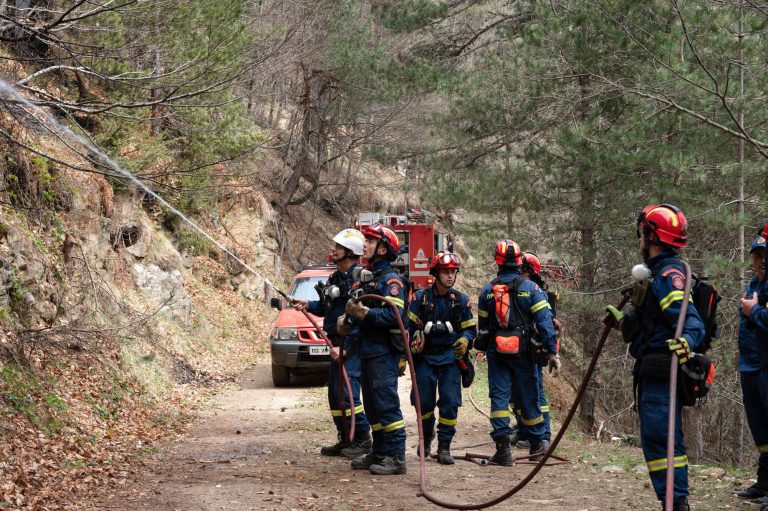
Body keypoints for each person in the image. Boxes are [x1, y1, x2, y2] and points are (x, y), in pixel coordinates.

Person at [608, 204, 705, 511]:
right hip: (653, 368)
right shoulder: (655, 274)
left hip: (664, 370)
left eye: (642, 232)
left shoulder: (669, 274)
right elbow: (656, 322)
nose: (639, 239)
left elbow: (691, 322)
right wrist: (622, 323)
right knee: (658, 438)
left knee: (662, 438)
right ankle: (673, 500)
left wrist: (687, 342)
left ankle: (676, 502)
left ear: (651, 235)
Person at [476, 239, 560, 466]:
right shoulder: (531, 289)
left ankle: (503, 450)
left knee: (500, 398)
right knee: (530, 397)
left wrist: (483, 349)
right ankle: (536, 446)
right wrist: (552, 353)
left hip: (497, 354)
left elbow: (482, 329)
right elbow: (545, 323)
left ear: (497, 260)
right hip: (524, 354)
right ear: (519, 260)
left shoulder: (487, 291)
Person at [291, 229, 371, 458]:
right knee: (335, 395)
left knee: (348, 393)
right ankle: (346, 438)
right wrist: (308, 304)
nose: (332, 250)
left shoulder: (360, 278)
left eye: (337, 247)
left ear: (350, 252)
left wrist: (346, 347)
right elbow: (328, 306)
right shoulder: (336, 278)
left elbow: (359, 316)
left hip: (351, 345)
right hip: (336, 342)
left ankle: (363, 438)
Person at [339, 223, 409, 475]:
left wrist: (365, 312)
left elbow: (395, 315)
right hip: (366, 352)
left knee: (386, 404)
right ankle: (380, 451)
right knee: (371, 405)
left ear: (382, 249)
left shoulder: (391, 281)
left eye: (370, 241)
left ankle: (397, 456)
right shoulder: (368, 278)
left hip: (383, 353)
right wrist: (347, 321)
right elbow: (357, 313)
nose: (364, 245)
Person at [407, 251, 476, 464]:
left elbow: (470, 330)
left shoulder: (461, 300)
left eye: (453, 272)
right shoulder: (420, 299)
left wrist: (464, 340)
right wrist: (410, 348)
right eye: (446, 272)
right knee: (424, 402)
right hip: (426, 359)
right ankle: (427, 436)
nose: (450, 276)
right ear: (436, 273)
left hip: (450, 360)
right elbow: (407, 328)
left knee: (449, 402)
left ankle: (444, 446)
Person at [508, 252, 562, 448]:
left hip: (534, 351)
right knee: (518, 395)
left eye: (520, 270)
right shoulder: (519, 290)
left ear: (528, 272)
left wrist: (551, 352)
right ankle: (523, 432)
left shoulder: (540, 293)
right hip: (521, 351)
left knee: (536, 394)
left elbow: (546, 325)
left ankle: (544, 436)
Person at [735, 231, 768, 505]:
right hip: (749, 367)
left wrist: (754, 312)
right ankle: (764, 484)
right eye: (757, 256)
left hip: (765, 367)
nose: (761, 261)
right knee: (760, 430)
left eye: (765, 256)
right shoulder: (753, 286)